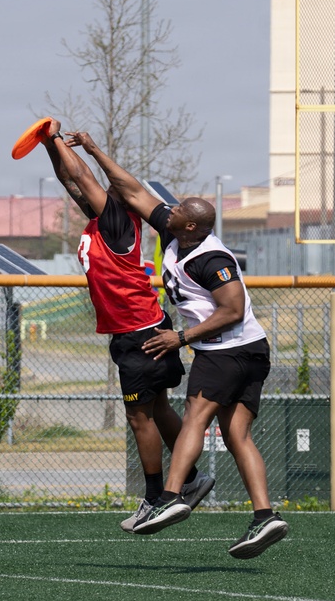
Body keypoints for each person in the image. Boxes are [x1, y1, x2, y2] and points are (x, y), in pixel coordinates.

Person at [66, 130, 288, 560]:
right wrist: (93, 150)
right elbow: (132, 190)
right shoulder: (176, 233)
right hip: (246, 349)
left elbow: (233, 309)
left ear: (190, 226)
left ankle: (169, 497)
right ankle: (265, 516)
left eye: (180, 209)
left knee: (194, 418)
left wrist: (180, 337)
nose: (170, 209)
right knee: (236, 434)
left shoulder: (211, 258)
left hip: (228, 351)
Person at [39, 119, 214, 532]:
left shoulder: (118, 221)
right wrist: (47, 145)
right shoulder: (103, 220)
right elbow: (71, 180)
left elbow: (83, 176)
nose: (98, 191)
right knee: (157, 407)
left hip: (140, 335)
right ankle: (192, 479)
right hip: (142, 327)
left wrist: (60, 140)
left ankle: (155, 498)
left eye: (109, 190)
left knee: (139, 418)